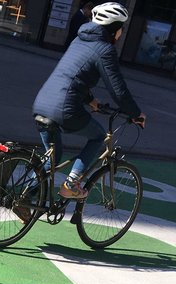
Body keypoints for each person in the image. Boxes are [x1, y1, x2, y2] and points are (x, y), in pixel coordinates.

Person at [32, 2, 145, 201]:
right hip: (64, 109)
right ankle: (71, 184)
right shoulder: (104, 50)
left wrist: (91, 100)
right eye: (121, 29)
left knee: (52, 158)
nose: (121, 34)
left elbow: (71, 76)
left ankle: (23, 198)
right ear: (114, 29)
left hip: (42, 103)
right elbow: (118, 90)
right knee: (98, 136)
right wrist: (136, 114)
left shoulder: (79, 40)